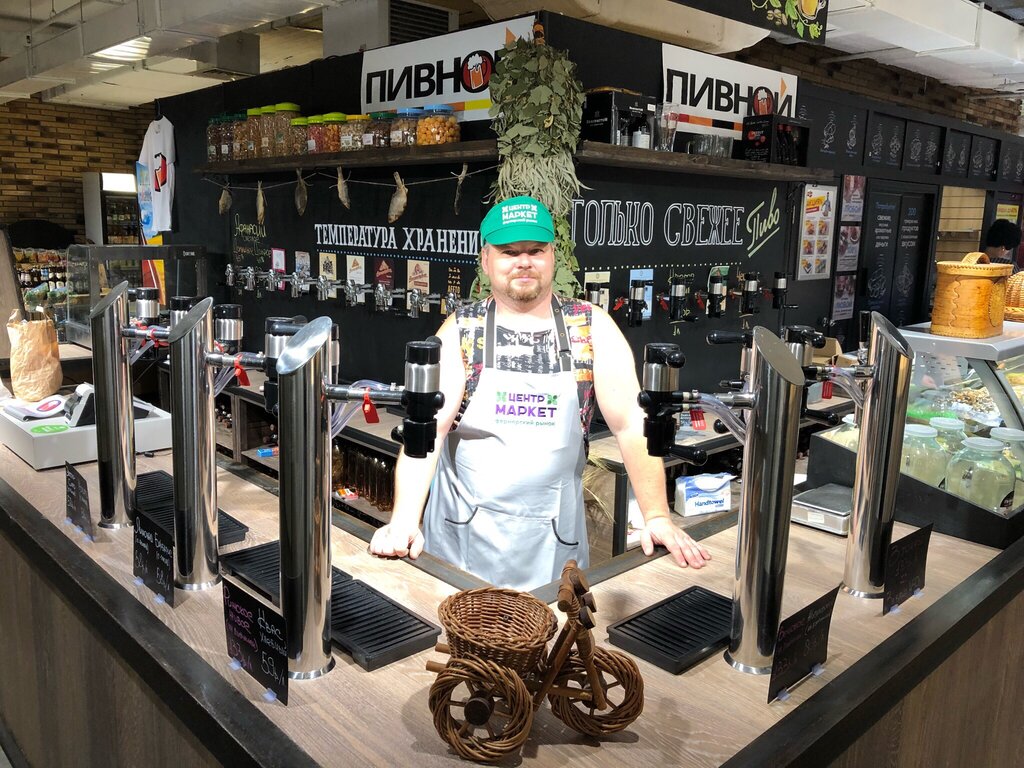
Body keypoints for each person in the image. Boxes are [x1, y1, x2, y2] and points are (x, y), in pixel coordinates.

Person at [370, 195, 711, 591]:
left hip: (554, 551)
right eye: (509, 252)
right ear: (486, 260)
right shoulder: (463, 329)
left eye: (535, 250)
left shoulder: (590, 327)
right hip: (461, 549)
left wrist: (657, 517)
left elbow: (632, 426)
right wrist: (403, 521)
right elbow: (427, 433)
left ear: (552, 256)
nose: (524, 261)